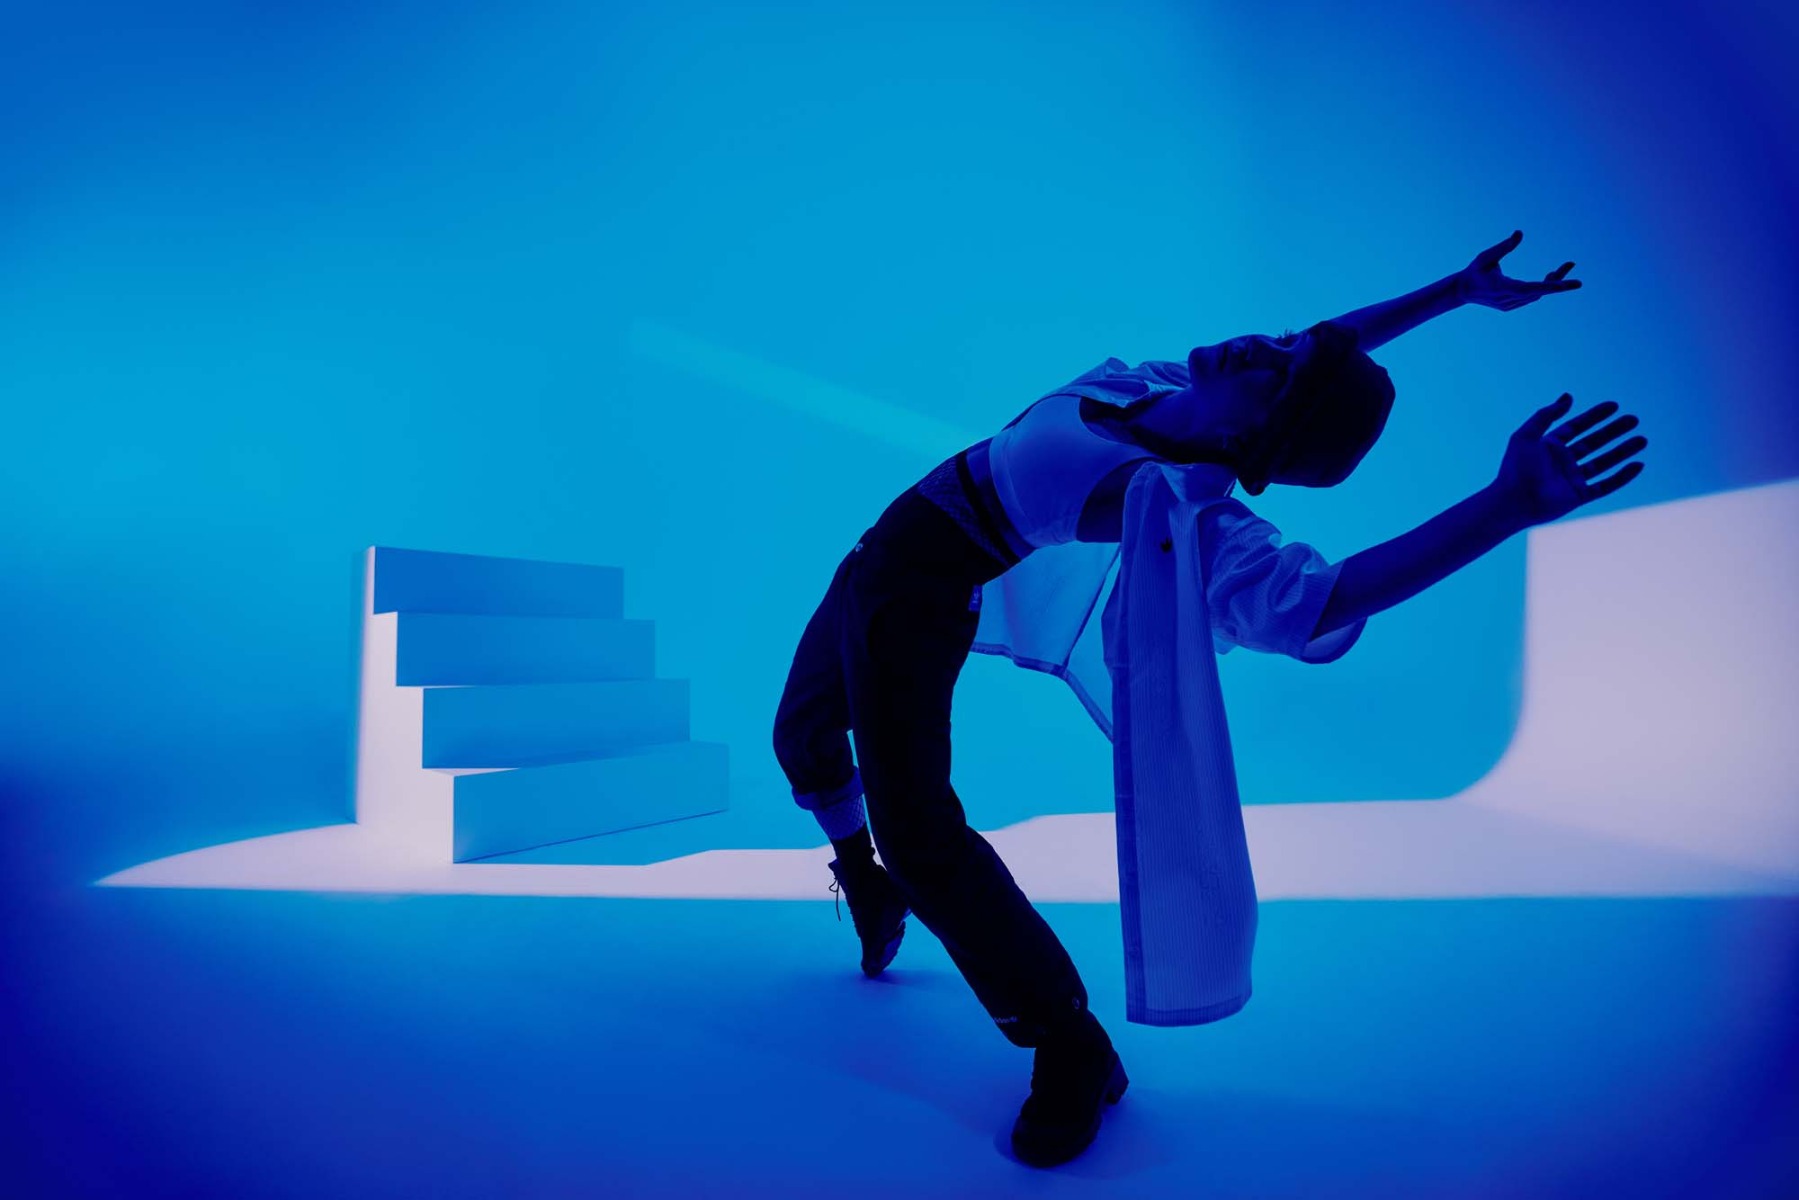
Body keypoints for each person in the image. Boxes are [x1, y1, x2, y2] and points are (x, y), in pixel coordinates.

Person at [771, 232, 1645, 1168]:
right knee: (803, 735)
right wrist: (1453, 294)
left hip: (917, 602)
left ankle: (1072, 1044)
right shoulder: (1146, 385)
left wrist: (1504, 507)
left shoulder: (1181, 510)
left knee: (923, 838)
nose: (1261, 345)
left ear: (1250, 436)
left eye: (1271, 374)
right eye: (1279, 345)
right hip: (874, 558)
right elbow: (1320, 347)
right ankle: (861, 876)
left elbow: (1325, 597)